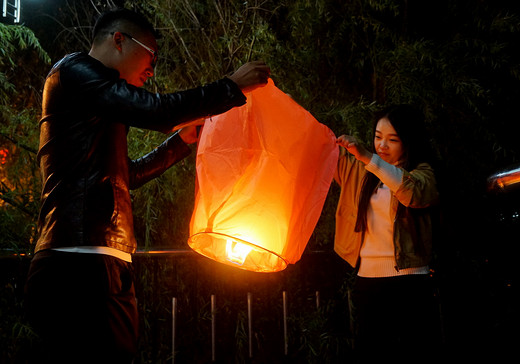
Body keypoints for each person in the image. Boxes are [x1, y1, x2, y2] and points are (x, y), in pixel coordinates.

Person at [24, 7, 270, 364]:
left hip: (94, 262)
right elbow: (155, 110)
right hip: (79, 266)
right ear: (119, 40)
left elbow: (127, 176)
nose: (152, 69)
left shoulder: (94, 97)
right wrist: (230, 87)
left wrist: (181, 142)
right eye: (151, 55)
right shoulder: (76, 73)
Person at [334, 105, 442, 363]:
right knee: (372, 354)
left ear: (409, 141)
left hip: (410, 282)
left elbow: (412, 194)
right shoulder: (360, 170)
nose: (382, 145)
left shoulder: (423, 173)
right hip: (368, 279)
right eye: (377, 136)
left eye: (392, 139)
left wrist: (370, 158)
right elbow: (318, 148)